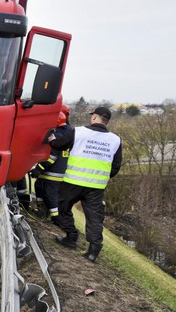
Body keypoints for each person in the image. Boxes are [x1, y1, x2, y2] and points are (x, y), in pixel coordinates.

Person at [48, 106, 122, 262]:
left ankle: (71, 236)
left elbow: (59, 145)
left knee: (62, 207)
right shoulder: (115, 140)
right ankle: (93, 252)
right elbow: (115, 166)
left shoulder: (79, 132)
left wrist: (52, 140)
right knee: (94, 217)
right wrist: (101, 177)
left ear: (94, 117)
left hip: (73, 182)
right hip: (96, 186)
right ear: (107, 121)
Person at [31, 108, 72, 223]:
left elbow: (52, 157)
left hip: (52, 172)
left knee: (50, 194)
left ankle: (55, 218)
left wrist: (39, 168)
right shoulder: (69, 133)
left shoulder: (56, 135)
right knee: (39, 186)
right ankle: (42, 210)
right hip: (60, 171)